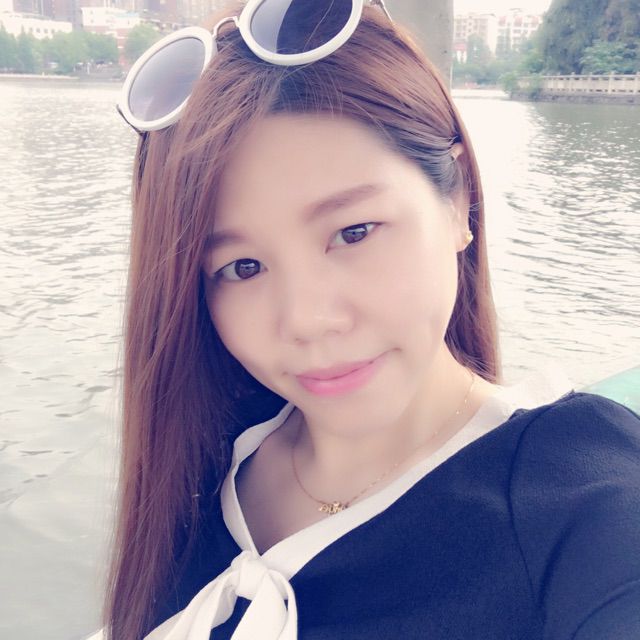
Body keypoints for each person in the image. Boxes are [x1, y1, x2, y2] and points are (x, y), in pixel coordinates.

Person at [96, 1, 640, 638]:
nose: (308, 320)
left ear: (458, 200)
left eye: (353, 232)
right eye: (243, 268)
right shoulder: (205, 465)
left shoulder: (576, 497)